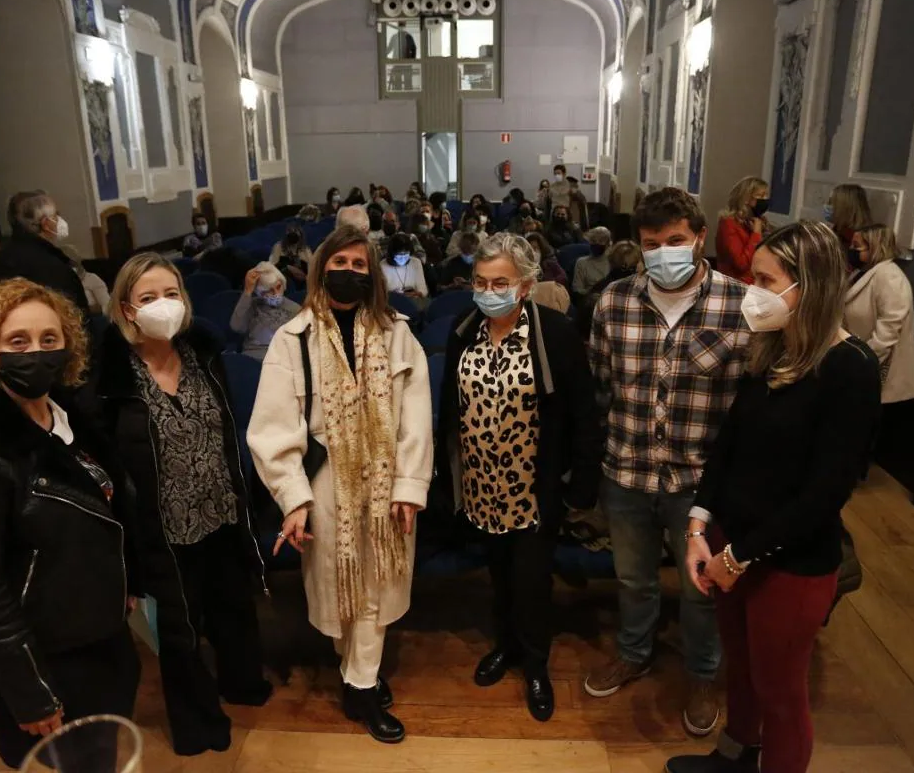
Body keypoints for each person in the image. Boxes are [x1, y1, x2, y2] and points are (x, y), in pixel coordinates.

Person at [665, 221, 881, 773]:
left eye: (764, 278)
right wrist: (697, 529)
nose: (750, 289)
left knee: (781, 692)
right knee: (741, 669)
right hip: (730, 544)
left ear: (808, 286)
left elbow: (825, 493)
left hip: (790, 562)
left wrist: (740, 556)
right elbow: (728, 446)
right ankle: (735, 756)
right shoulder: (774, 350)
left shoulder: (848, 368)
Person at [0, 279, 139, 769]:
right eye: (17, 342)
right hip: (49, 655)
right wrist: (30, 692)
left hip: (100, 634)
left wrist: (126, 581)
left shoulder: (71, 420)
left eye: (49, 340)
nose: (37, 353)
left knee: (100, 756)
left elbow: (103, 515)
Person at [247, 225, 432, 744]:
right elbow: (273, 427)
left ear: (372, 274)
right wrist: (293, 499)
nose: (349, 272)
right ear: (319, 268)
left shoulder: (398, 332)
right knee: (344, 585)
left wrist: (408, 486)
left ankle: (362, 683)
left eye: (359, 265)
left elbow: (416, 418)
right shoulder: (293, 338)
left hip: (386, 481)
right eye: (340, 263)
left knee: (373, 589)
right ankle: (356, 672)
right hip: (327, 485)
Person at [586, 187, 751, 737]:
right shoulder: (614, 301)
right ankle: (635, 653)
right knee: (633, 579)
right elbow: (602, 384)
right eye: (652, 244)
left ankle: (702, 674)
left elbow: (753, 398)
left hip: (700, 481)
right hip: (627, 469)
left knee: (701, 587)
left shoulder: (739, 304)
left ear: (699, 238)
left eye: (676, 241)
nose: (664, 253)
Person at [98, 253, 272, 757]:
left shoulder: (202, 353)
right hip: (161, 527)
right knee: (178, 629)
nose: (163, 306)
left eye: (171, 294)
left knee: (234, 607)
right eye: (148, 298)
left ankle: (242, 683)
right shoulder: (111, 379)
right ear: (127, 310)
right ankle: (197, 724)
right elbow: (110, 464)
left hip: (220, 509)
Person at [434, 234, 600, 722]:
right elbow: (450, 406)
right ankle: (505, 646)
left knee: (532, 581)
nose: (488, 291)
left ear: (525, 286)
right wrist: (449, 477)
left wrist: (581, 485)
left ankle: (535, 664)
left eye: (500, 282)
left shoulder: (554, 333)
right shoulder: (464, 330)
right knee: (500, 575)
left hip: (533, 485)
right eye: (481, 282)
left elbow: (584, 415)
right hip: (482, 483)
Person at [844, 223, 914, 405]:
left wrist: (862, 364)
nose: (851, 250)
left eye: (857, 247)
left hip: (886, 374)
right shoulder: (861, 272)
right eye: (851, 245)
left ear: (875, 248)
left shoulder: (890, 277)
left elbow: (888, 331)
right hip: (859, 361)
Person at [0, 191, 89, 313]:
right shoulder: (54, 267)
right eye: (56, 216)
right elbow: (76, 315)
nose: (60, 220)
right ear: (46, 224)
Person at [232, 262, 303, 360]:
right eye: (268, 290)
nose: (276, 293)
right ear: (259, 293)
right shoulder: (252, 305)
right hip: (253, 357)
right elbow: (236, 327)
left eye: (278, 287)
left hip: (282, 359)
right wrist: (247, 291)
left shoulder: (295, 309)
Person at [716, 177, 770, 285]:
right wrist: (756, 234)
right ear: (745, 199)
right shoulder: (728, 223)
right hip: (737, 286)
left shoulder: (758, 221)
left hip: (758, 284)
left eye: (766, 196)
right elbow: (741, 264)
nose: (764, 200)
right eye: (760, 196)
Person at [62, 244, 110, 315]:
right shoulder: (59, 282)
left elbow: (107, 306)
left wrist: (86, 309)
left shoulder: (92, 278)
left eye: (72, 264)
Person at [381, 233, 428, 302]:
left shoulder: (415, 262)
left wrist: (417, 293)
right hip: (392, 302)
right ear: (392, 253)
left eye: (406, 254)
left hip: (413, 302)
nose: (403, 258)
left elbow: (423, 289)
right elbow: (381, 293)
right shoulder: (383, 265)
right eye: (399, 255)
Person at [572, 227, 613, 296]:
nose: (597, 243)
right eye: (593, 241)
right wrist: (590, 293)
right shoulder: (581, 262)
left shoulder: (613, 261)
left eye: (601, 241)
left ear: (608, 244)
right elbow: (577, 289)